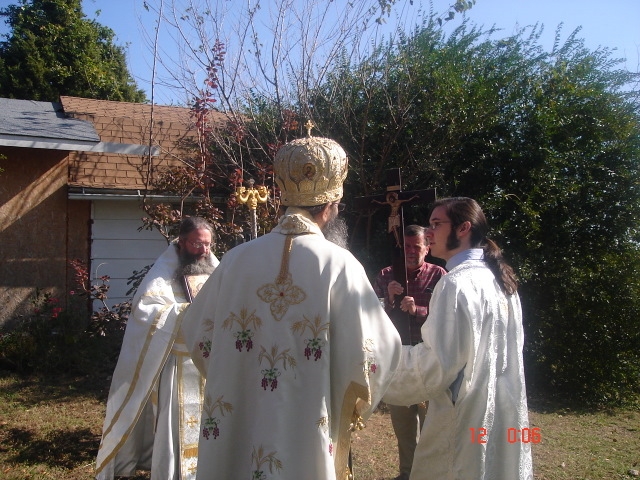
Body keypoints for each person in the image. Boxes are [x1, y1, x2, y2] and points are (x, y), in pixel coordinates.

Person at [182, 134, 402, 479]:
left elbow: (197, 333)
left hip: (242, 413)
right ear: (331, 205)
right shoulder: (339, 264)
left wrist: (237, 372)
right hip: (308, 416)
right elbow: (376, 351)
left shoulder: (235, 260)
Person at [383, 197, 533, 479]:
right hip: (501, 408)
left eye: (436, 224)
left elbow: (436, 365)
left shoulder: (455, 283)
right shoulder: (500, 280)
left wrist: (378, 360)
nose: (429, 233)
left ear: (463, 228)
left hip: (465, 414)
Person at [95, 217, 220, 480]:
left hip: (209, 364)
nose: (203, 250)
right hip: (177, 365)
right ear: (182, 242)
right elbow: (146, 310)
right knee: (176, 425)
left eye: (208, 244)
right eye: (197, 243)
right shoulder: (163, 272)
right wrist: (186, 311)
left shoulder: (213, 267)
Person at [373, 224, 446, 480]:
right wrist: (390, 300)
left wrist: (419, 311)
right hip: (398, 360)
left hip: (429, 358)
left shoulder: (439, 275)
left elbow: (448, 317)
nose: (411, 251)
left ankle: (430, 475)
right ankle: (406, 474)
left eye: (417, 246)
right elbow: (370, 317)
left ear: (427, 248)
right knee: (403, 425)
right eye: (407, 247)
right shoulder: (386, 275)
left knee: (431, 426)